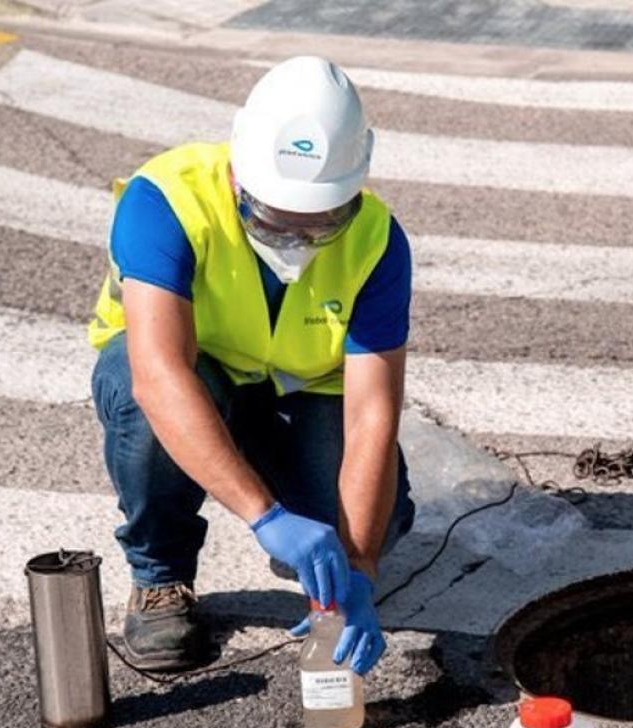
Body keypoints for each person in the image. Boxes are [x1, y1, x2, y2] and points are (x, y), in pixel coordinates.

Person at [87, 55, 414, 677]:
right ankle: (161, 574)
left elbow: (373, 413)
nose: (297, 237)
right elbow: (159, 373)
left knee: (377, 527)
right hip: (193, 384)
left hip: (300, 397)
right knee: (135, 390)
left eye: (321, 221)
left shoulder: (376, 239)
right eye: (274, 216)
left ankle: (287, 489)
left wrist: (361, 565)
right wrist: (266, 517)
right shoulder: (167, 200)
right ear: (238, 172)